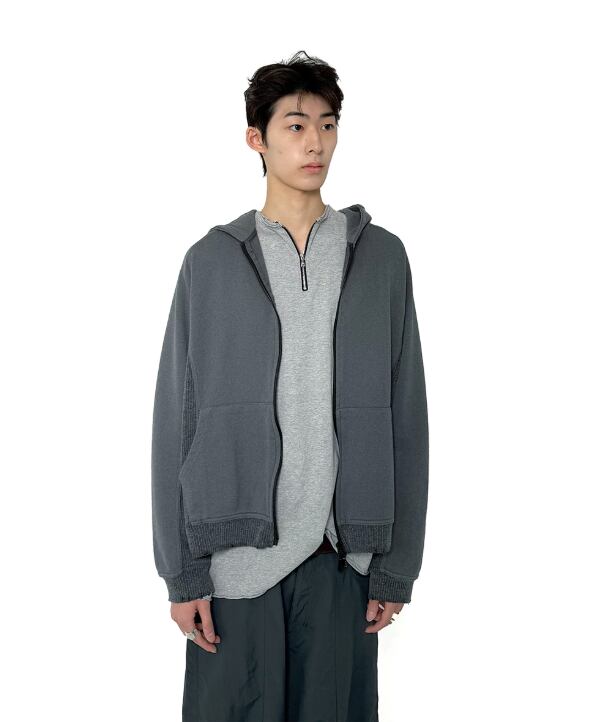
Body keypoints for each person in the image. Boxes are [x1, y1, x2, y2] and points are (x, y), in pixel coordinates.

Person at [151, 50, 430, 722]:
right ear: (257, 138)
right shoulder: (211, 261)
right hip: (235, 562)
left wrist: (397, 566)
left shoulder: (381, 257)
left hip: (341, 558)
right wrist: (181, 572)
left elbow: (406, 415)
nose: (315, 143)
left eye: (328, 125)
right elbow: (176, 418)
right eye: (296, 126)